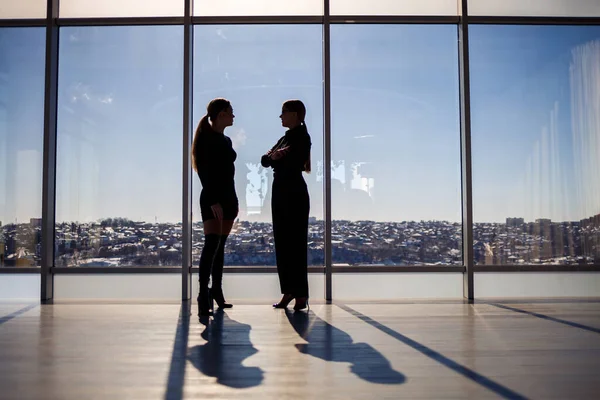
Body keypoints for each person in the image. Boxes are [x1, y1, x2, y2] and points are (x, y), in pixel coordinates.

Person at [261, 100, 311, 311]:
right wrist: (275, 157)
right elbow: (265, 159)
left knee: (296, 244)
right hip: (280, 190)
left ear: (294, 114)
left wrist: (275, 157)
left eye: (283, 112)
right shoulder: (285, 138)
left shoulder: (301, 137)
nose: (280, 116)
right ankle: (289, 291)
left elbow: (292, 161)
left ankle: (300, 294)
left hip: (294, 191)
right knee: (282, 243)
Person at [192, 98, 238, 317]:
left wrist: (230, 201)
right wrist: (213, 201)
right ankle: (203, 294)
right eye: (230, 112)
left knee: (220, 246)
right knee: (212, 244)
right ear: (221, 114)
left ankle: (217, 292)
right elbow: (204, 174)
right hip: (212, 198)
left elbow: (228, 174)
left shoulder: (226, 140)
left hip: (229, 198)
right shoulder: (205, 140)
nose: (233, 115)